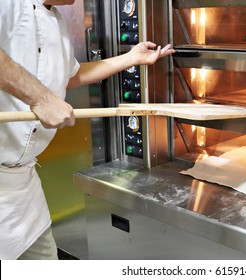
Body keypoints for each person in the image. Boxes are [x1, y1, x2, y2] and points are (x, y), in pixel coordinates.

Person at [0, 0, 175, 260]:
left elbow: (70, 76)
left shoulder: (56, 21)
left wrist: (131, 58)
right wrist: (41, 98)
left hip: (22, 187)